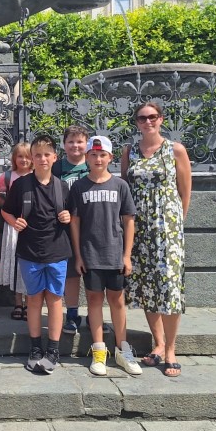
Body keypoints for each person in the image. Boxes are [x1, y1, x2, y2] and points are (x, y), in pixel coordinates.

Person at [121, 102, 191, 378]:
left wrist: (176, 222)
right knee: (147, 286)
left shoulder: (175, 150)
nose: (147, 122)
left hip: (167, 228)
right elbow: (125, 188)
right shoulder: (129, 151)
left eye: (152, 117)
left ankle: (171, 348)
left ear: (161, 119)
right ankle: (158, 343)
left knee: (170, 286)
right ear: (136, 122)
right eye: (142, 118)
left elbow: (185, 190)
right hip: (139, 227)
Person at [69, 136, 140, 377]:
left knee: (117, 301)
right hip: (90, 254)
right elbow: (75, 223)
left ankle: (122, 348)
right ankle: (99, 350)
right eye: (93, 155)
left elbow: (129, 221)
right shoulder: (79, 187)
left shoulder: (120, 185)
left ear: (110, 157)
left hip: (115, 254)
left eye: (102, 155)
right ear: (86, 157)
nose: (98, 159)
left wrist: (127, 255)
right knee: (94, 300)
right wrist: (79, 255)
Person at [1, 134, 71, 375]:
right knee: (33, 300)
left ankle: (53, 349)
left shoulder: (62, 186)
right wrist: (14, 222)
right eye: (38, 155)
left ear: (55, 157)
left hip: (57, 251)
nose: (42, 159)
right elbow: (6, 211)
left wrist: (67, 216)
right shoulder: (21, 185)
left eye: (46, 155)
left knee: (55, 300)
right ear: (31, 158)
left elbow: (71, 215)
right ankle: (35, 348)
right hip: (29, 251)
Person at [52, 125, 90, 335]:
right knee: (71, 274)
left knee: (93, 273)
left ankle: (94, 315)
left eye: (80, 141)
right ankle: (72, 314)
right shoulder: (57, 168)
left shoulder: (94, 163)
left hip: (92, 226)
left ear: (87, 144)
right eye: (71, 141)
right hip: (66, 228)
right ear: (64, 144)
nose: (75, 146)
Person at [0, 142, 32, 320]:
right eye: (20, 156)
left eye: (27, 156)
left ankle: (30, 303)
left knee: (30, 264)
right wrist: (7, 206)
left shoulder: (35, 176)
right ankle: (18, 302)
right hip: (13, 225)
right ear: (14, 158)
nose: (24, 160)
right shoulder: (8, 176)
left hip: (32, 225)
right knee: (17, 263)